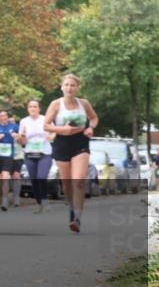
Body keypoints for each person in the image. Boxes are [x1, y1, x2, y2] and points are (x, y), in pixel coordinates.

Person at [43, 74, 99, 233]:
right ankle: (72, 208)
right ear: (62, 87)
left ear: (77, 88)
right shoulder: (56, 104)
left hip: (80, 142)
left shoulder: (84, 103)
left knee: (79, 180)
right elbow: (46, 126)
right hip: (62, 144)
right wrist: (63, 129)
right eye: (66, 85)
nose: (69, 88)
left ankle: (77, 217)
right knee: (67, 183)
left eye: (73, 85)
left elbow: (94, 118)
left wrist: (90, 127)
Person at [18, 99, 54, 214]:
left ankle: (45, 201)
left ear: (39, 108)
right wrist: (21, 137)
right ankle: (39, 203)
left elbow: (54, 131)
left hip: (45, 153)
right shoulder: (24, 121)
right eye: (30, 107)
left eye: (35, 106)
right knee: (34, 180)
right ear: (28, 109)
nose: (33, 109)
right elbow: (22, 141)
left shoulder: (45, 119)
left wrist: (52, 136)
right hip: (30, 153)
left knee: (41, 177)